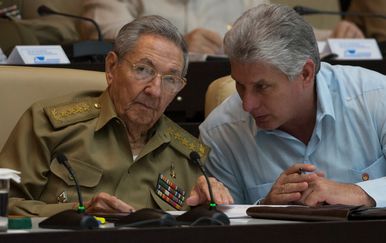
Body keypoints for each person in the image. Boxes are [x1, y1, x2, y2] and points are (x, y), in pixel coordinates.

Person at [0, 15, 233, 217]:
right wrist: (78, 213)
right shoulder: (50, 125)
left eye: (170, 79)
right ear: (111, 68)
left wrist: (207, 207)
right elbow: (5, 206)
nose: (155, 90)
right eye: (143, 70)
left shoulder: (188, 156)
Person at [199, 3, 386, 207]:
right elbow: (221, 225)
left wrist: (361, 193)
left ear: (305, 73)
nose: (247, 104)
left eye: (262, 87)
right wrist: (264, 208)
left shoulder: (376, 97)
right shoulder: (220, 133)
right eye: (240, 85)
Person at [80, 0, 363, 55]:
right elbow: (101, 30)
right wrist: (176, 44)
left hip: (243, 99)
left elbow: (271, 26)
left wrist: (335, 36)